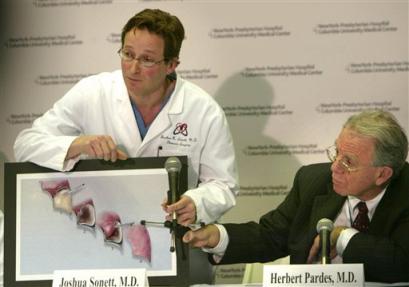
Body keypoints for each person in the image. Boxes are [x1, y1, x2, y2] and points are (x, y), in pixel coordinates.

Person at [13, 9, 238, 283]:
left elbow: (223, 185)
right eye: (127, 54)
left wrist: (197, 202)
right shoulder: (93, 92)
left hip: (177, 248)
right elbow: (25, 145)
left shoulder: (203, 110)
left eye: (147, 60)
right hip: (100, 243)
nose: (132, 68)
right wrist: (77, 144)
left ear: (171, 65)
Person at [183, 109, 409, 283]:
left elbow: (402, 262)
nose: (334, 168)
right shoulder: (313, 180)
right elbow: (271, 236)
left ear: (382, 174)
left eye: (348, 162)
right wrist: (217, 236)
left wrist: (342, 237)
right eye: (337, 153)